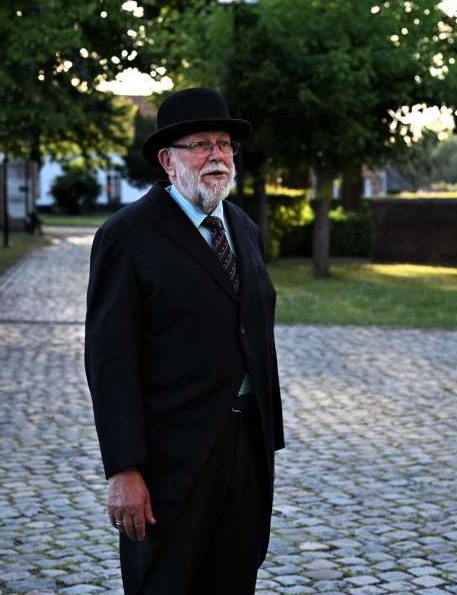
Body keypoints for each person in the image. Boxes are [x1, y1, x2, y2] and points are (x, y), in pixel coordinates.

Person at [85, 87, 284, 595]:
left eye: (224, 144)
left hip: (246, 448)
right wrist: (123, 468)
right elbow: (110, 361)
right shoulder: (127, 235)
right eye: (200, 145)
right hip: (171, 461)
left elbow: (256, 335)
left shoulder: (242, 227)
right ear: (167, 160)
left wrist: (266, 441)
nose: (217, 155)